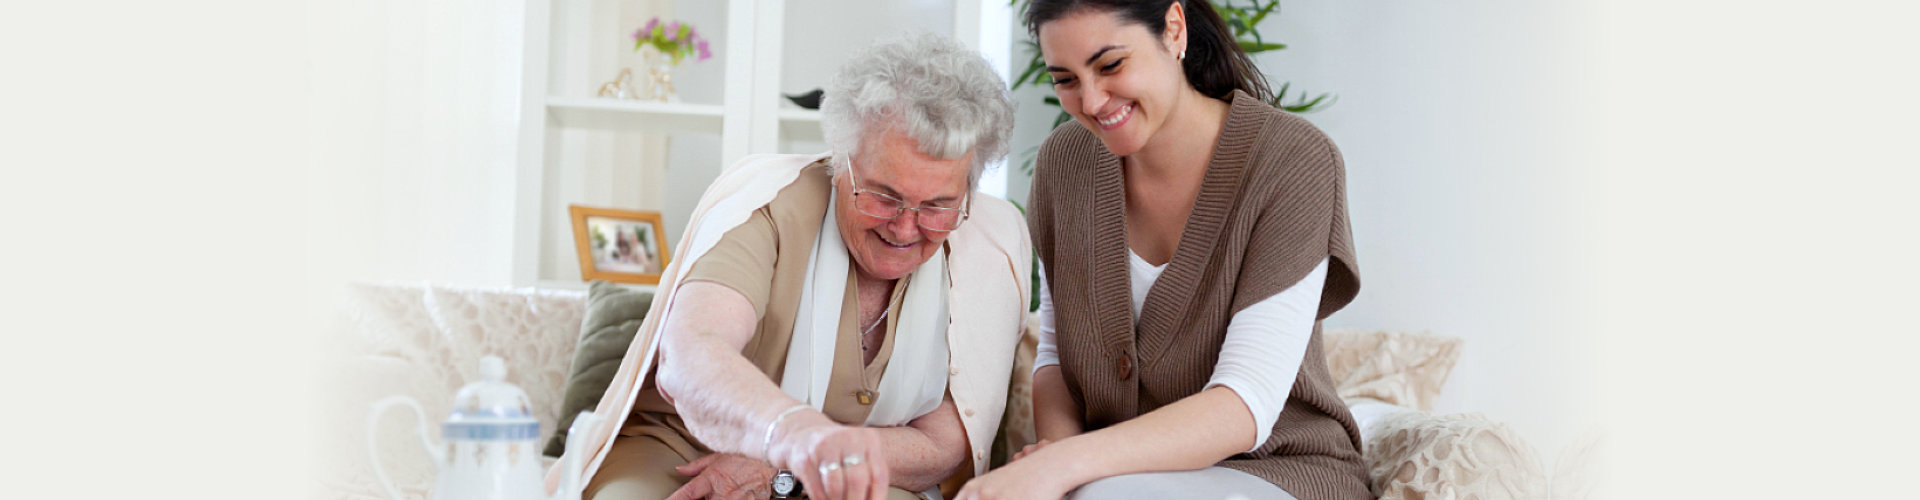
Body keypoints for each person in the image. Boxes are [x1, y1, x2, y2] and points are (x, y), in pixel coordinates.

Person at [546, 33, 1028, 500]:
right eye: (883, 196)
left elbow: (943, 447)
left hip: (866, 475)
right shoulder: (765, 203)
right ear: (841, 163)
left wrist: (788, 467)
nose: (905, 229)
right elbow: (693, 352)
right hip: (685, 449)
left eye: (938, 205)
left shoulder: (990, 244)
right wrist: (794, 435)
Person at [957, 1, 1367, 500]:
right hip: (1110, 476)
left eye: (1110, 66)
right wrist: (1056, 470)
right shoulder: (1063, 165)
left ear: (1174, 30)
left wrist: (1065, 464)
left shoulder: (1291, 162)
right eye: (1065, 79)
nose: (1091, 100)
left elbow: (1245, 402)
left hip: (1278, 470)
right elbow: (1057, 355)